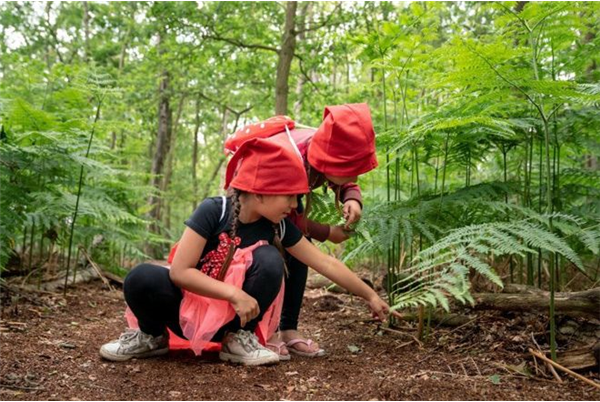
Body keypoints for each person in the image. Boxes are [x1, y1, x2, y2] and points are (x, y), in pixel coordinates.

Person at [99, 136, 394, 366]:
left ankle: (239, 339)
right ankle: (152, 336)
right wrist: (233, 294)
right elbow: (180, 272)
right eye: (290, 196)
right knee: (140, 277)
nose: (295, 206)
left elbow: (326, 264)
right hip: (187, 312)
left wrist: (370, 295)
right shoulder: (214, 211)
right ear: (260, 191)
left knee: (270, 259)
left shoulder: (278, 227)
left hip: (235, 318)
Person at [225, 103, 378, 358]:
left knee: (299, 250)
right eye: (351, 171)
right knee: (271, 254)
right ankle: (264, 331)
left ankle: (288, 329)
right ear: (330, 162)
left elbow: (341, 176)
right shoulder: (291, 159)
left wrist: (352, 197)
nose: (355, 177)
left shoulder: (324, 150)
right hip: (254, 205)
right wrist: (327, 232)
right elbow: (287, 218)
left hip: (280, 207)